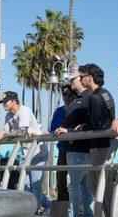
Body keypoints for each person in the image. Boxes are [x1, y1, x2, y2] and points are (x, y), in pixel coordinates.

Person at [56, 64, 116, 217]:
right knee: (97, 188)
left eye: (81, 77)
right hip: (97, 147)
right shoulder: (100, 94)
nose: (80, 80)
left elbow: (97, 124)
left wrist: (74, 129)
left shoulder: (94, 96)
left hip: (96, 148)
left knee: (98, 189)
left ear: (89, 77)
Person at [0, 91, 48, 214]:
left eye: (6, 102)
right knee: (26, 184)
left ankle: (36, 210)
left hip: (38, 151)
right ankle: (46, 205)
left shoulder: (24, 111)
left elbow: (22, 132)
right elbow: (5, 134)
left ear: (14, 101)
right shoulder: (8, 116)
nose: (4, 105)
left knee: (35, 184)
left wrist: (4, 134)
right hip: (26, 153)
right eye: (3, 103)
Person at [56, 68, 93, 217]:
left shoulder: (88, 98)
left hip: (83, 149)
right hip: (72, 149)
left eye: (73, 79)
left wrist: (74, 130)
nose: (66, 96)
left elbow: (96, 122)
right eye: (63, 93)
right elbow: (59, 128)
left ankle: (80, 214)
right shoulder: (80, 101)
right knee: (77, 185)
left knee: (79, 186)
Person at [50, 84, 76, 214]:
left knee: (77, 181)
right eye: (64, 94)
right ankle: (63, 210)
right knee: (61, 179)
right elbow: (53, 129)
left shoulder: (79, 109)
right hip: (63, 149)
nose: (67, 97)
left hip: (78, 150)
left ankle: (77, 209)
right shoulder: (59, 111)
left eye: (69, 95)